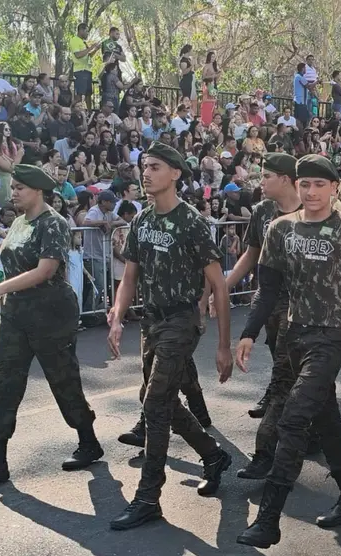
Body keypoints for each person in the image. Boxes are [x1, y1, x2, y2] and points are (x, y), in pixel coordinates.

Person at [234, 154, 341, 549]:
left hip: (334, 335)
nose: (311, 192)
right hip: (295, 335)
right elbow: (268, 289)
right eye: (305, 184)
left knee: (293, 419)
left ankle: (268, 518)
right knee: (324, 419)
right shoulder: (280, 229)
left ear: (334, 189)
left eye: (320, 185)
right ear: (297, 185)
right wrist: (248, 333)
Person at [107, 142, 233, 530]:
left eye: (155, 167)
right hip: (151, 320)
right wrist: (116, 317)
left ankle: (148, 498)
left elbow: (219, 285)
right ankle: (213, 456)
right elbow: (130, 276)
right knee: (155, 398)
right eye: (143, 166)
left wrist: (224, 345)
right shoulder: (142, 221)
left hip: (182, 320)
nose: (146, 173)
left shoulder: (192, 222)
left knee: (156, 403)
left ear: (175, 173)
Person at [0, 164, 103, 486]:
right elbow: (11, 252)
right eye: (13, 189)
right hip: (17, 311)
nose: (14, 194)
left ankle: (88, 441)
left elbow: (45, 270)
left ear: (38, 190)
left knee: (63, 379)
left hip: (50, 310)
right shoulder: (21, 222)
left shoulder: (52, 222)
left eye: (20, 189)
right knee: (3, 382)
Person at [216, 153, 304, 477]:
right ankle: (318, 430)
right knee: (294, 373)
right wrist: (222, 288)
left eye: (266, 176)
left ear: (285, 178)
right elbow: (250, 256)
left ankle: (265, 452)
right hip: (268, 300)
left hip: (301, 307)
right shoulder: (263, 211)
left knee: (285, 378)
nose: (260, 182)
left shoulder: (311, 210)